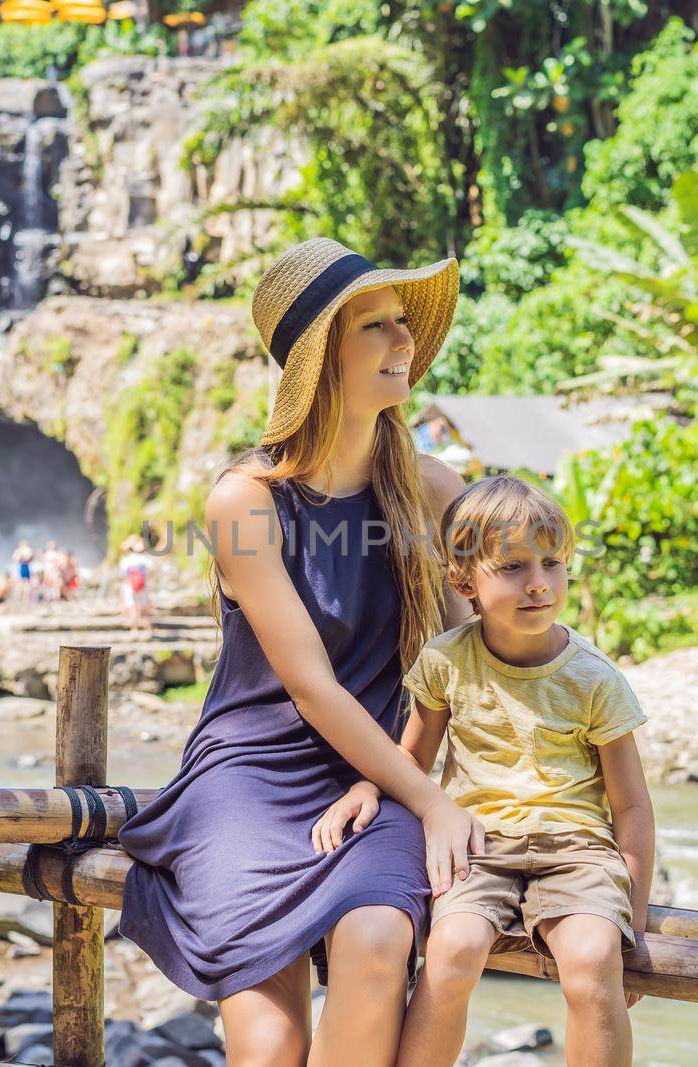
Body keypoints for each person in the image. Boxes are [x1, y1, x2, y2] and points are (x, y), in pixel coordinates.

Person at [117, 236, 473, 1067]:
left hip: (374, 775)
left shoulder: (432, 489)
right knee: (273, 1042)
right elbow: (310, 686)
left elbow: (474, 663)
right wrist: (430, 801)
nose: (403, 342)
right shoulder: (246, 501)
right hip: (250, 780)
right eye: (375, 327)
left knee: (381, 938)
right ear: (319, 361)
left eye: (401, 323)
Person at [313, 476, 656, 1067]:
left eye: (553, 563)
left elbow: (630, 805)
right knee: (451, 950)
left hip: (576, 850)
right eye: (514, 567)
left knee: (593, 959)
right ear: (461, 579)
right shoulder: (446, 660)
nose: (539, 584)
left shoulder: (594, 678)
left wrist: (636, 916)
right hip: (478, 844)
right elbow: (413, 757)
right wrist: (366, 786)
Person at [117, 535, 154, 634]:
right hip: (143, 586)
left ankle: (134, 629)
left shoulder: (125, 561)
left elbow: (124, 576)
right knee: (145, 609)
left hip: (130, 587)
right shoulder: (144, 560)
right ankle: (148, 630)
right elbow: (150, 571)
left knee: (133, 608)